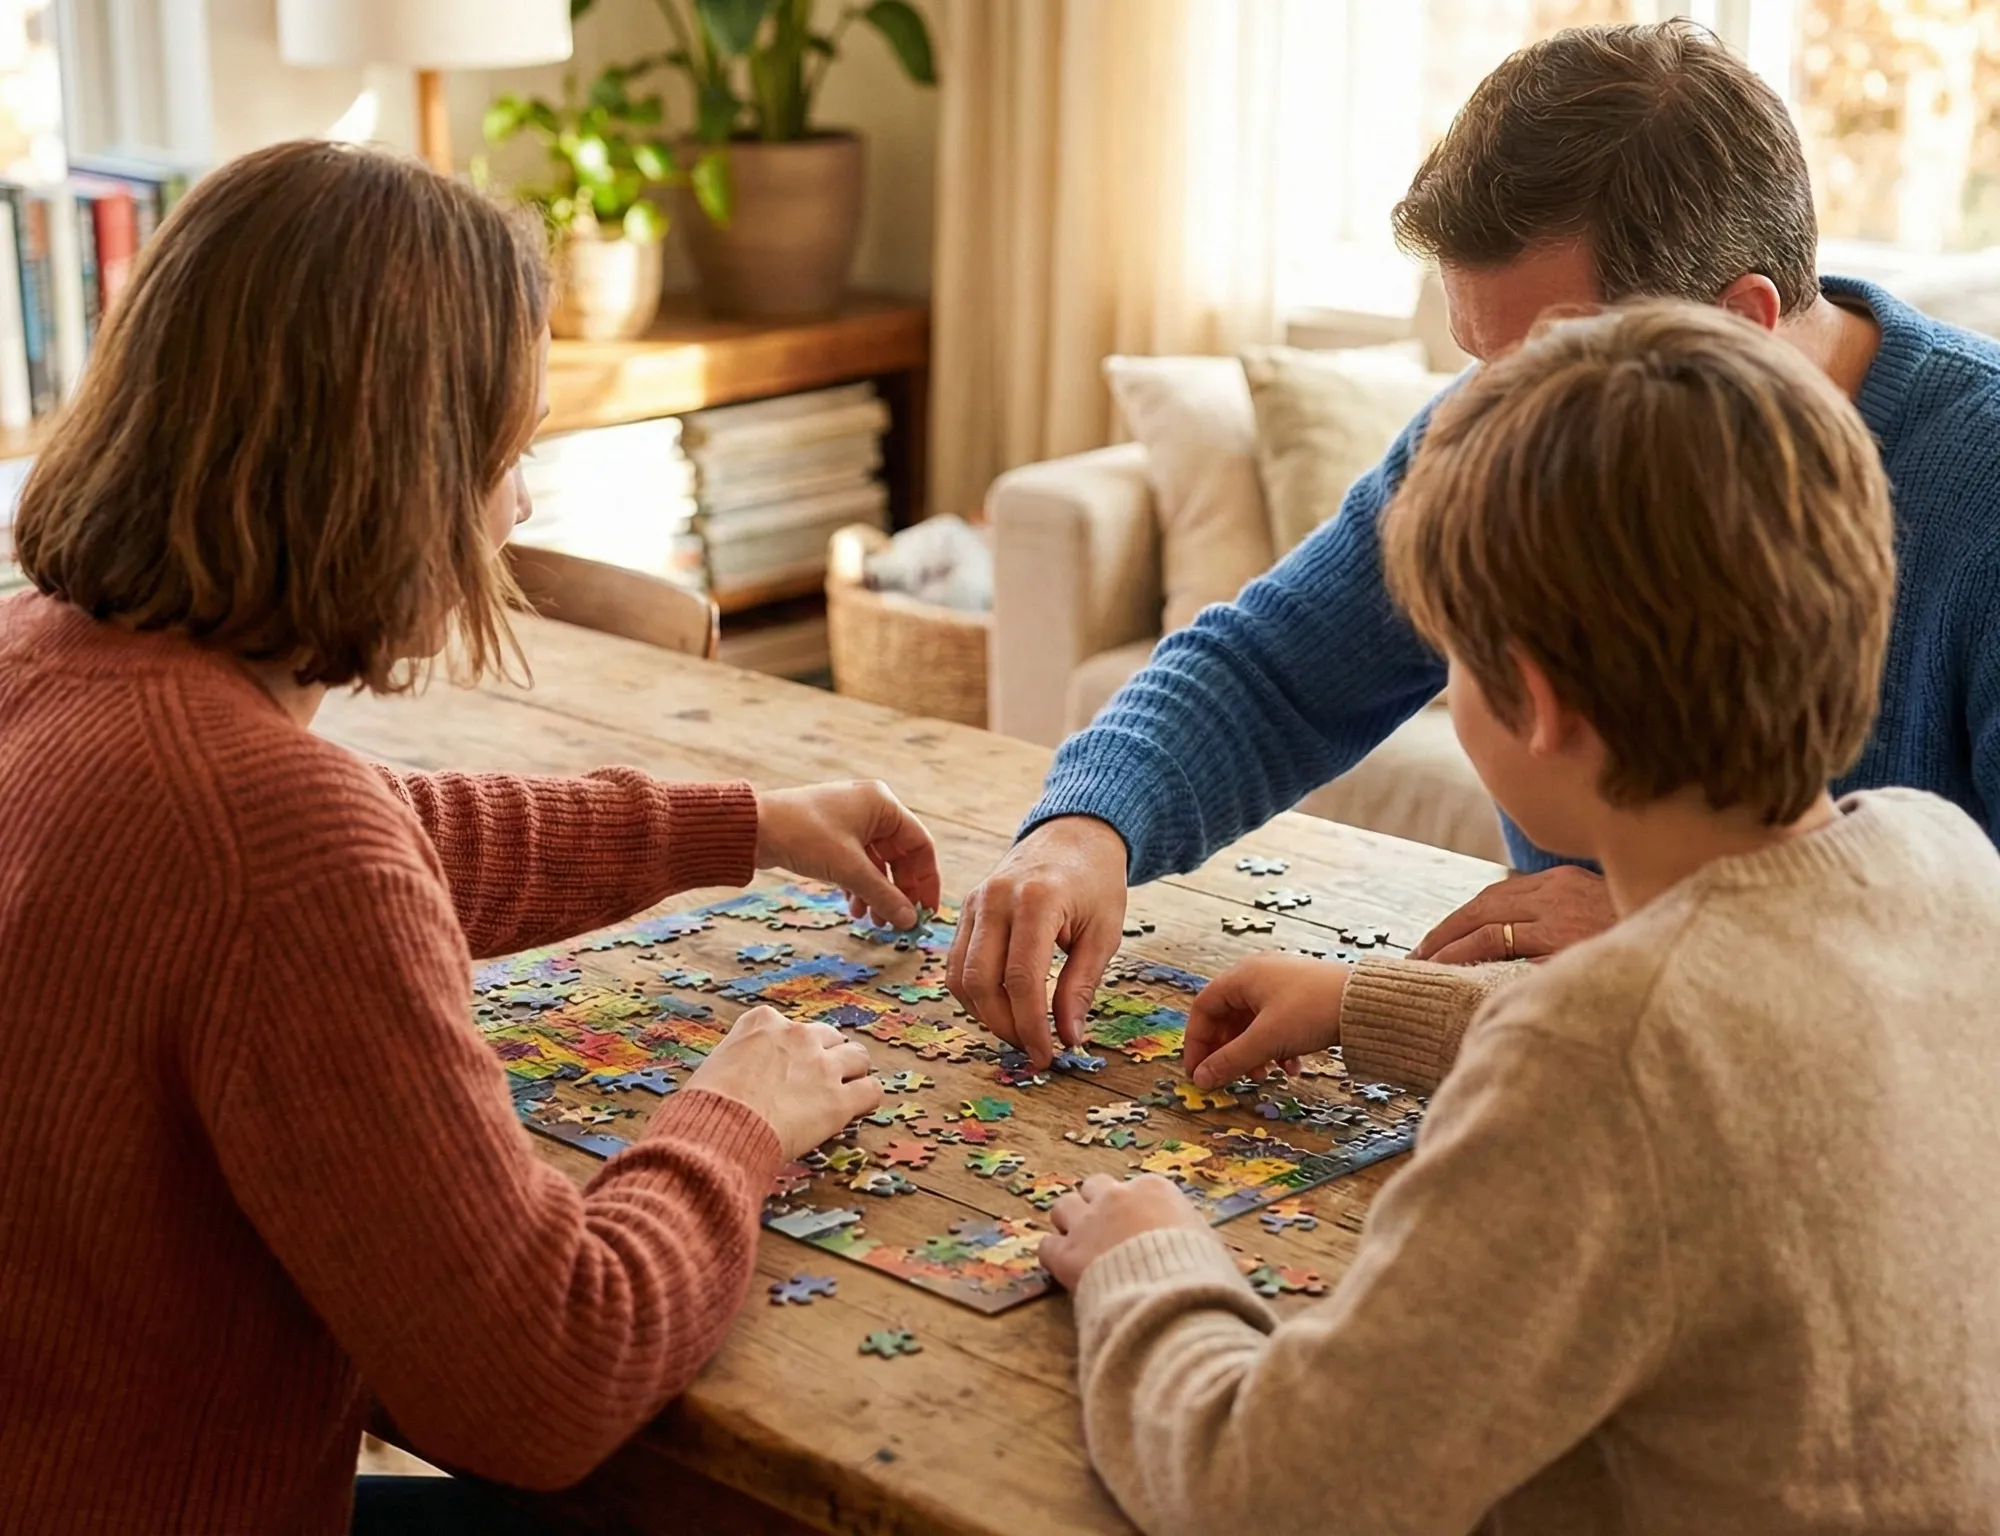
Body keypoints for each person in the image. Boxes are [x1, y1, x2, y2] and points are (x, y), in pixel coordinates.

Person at [0, 140, 937, 1535]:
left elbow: (379, 835)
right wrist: (736, 1118)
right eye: (511, 452)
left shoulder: (37, 653)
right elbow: (547, 1381)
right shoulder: (272, 838)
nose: (522, 505)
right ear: (399, 473)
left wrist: (744, 824)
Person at [1038, 301, 2000, 1535]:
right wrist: (1368, 1004)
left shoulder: (1593, 1061)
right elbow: (1745, 1044)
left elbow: (1267, 1493)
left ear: (1532, 704)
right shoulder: (1937, 855)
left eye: (1448, 659)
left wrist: (1148, 1256)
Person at [949, 19, 2000, 1067]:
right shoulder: (1518, 423)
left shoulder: (1978, 491)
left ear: (1742, 322)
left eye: (1546, 352)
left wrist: (1679, 936)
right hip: (1549, 1065)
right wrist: (1087, 828)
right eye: (1475, 356)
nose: (1486, 407)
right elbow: (1278, 669)